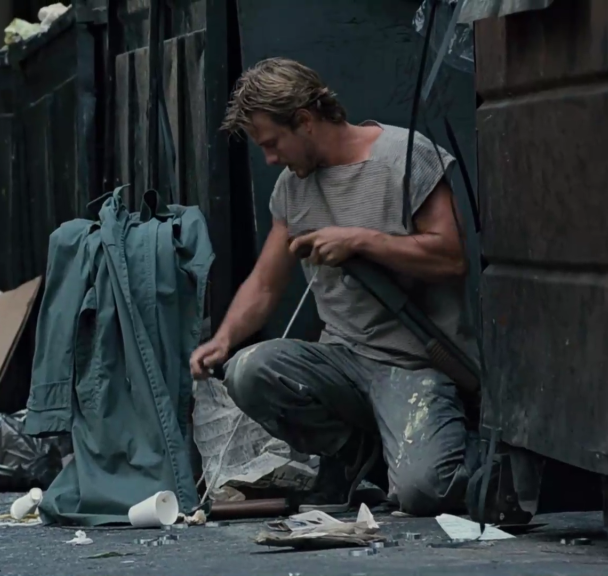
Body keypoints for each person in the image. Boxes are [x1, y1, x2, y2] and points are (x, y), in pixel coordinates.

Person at [190, 58, 478, 516]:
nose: (270, 159)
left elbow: (451, 257)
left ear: (305, 120)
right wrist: (222, 341)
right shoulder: (291, 188)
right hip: (340, 362)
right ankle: (356, 456)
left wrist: (359, 241)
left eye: (272, 143)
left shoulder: (405, 156)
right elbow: (265, 284)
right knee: (247, 370)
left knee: (426, 493)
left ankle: (441, 446)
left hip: (413, 366)